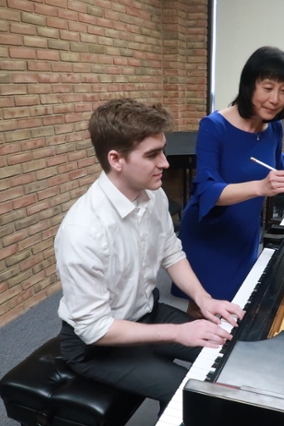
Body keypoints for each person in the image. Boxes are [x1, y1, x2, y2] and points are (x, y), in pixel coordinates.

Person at [54, 98, 244, 413]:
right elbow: (95, 329)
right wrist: (180, 331)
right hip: (95, 345)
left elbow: (171, 251)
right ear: (116, 159)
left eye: (163, 150)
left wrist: (204, 298)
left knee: (227, 351)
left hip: (146, 314)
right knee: (188, 394)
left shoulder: (153, 195)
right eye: (152, 155)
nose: (166, 163)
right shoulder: (83, 230)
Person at [173, 46, 284, 316]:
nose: (275, 99)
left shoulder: (274, 127)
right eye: (267, 88)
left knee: (240, 304)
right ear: (250, 85)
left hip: (245, 235)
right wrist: (260, 187)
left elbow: (281, 163)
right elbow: (206, 190)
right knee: (205, 312)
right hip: (211, 236)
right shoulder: (214, 126)